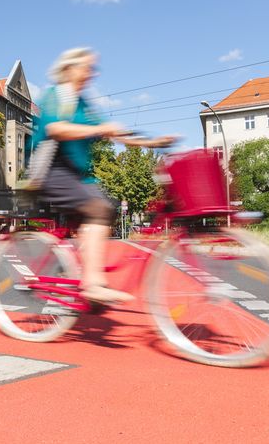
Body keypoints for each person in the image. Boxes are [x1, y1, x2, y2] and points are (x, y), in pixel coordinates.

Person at [35, 47, 174, 304]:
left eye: (92, 69)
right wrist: (100, 128)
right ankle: (92, 284)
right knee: (98, 208)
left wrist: (153, 143)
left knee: (105, 209)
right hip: (52, 171)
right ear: (70, 68)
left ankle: (80, 275)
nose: (91, 73)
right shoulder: (56, 94)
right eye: (86, 67)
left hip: (77, 175)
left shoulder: (83, 103)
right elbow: (56, 128)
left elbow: (115, 134)